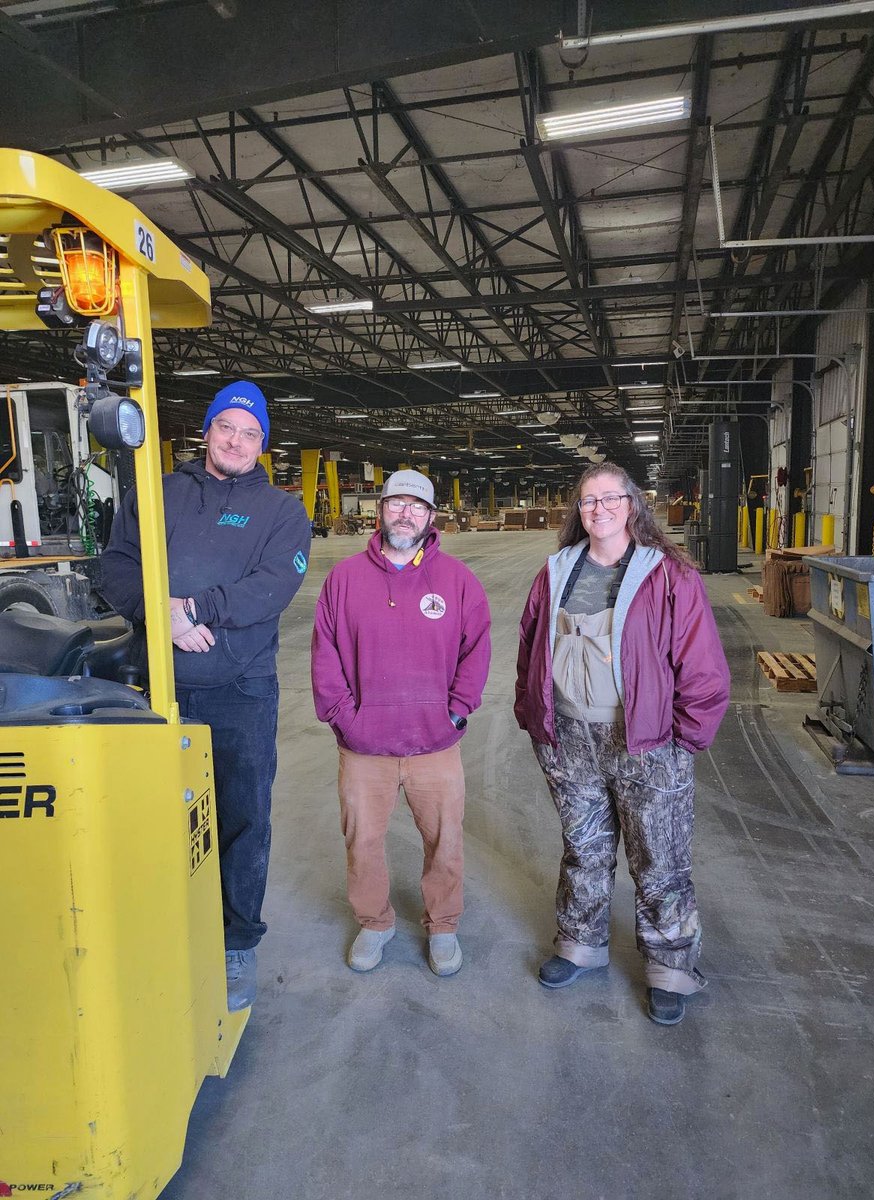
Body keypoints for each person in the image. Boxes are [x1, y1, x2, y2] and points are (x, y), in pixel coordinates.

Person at [101, 380, 311, 1011]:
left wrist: (196, 610)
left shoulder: (282, 512)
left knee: (242, 817)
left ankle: (236, 941)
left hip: (240, 692)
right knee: (157, 817)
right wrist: (160, 615)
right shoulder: (159, 491)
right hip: (156, 688)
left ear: (262, 445)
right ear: (207, 429)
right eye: (228, 427)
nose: (237, 441)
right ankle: (165, 929)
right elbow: (115, 565)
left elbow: (272, 589)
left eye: (251, 433)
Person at [515, 463, 729, 1025]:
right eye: (588, 501)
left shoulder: (669, 575)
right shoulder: (556, 570)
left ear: (632, 505)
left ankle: (670, 968)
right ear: (577, 511)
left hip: (645, 740)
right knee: (583, 848)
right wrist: (535, 718)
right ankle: (580, 944)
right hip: (570, 737)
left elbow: (702, 663)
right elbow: (530, 644)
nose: (599, 509)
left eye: (610, 498)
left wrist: (686, 738)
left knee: (659, 858)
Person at [311, 469, 490, 977]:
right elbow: (325, 657)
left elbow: (476, 652)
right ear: (380, 510)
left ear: (430, 517)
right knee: (362, 840)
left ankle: (443, 924)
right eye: (396, 503)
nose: (405, 513)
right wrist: (346, 720)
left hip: (435, 744)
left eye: (417, 505)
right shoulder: (344, 579)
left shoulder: (457, 580)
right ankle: (375, 922)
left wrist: (455, 709)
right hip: (364, 747)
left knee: (444, 839)